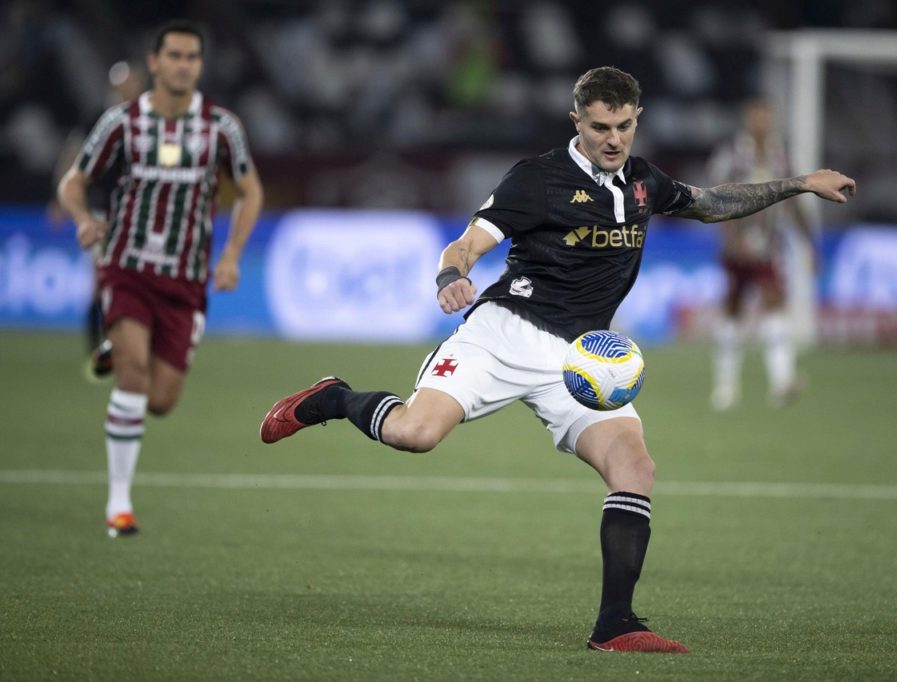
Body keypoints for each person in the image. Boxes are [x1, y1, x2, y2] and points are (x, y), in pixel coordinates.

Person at [260, 66, 854, 653]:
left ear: (636, 120)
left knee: (635, 470)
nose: (613, 140)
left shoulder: (643, 183)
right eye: (600, 127)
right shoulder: (537, 180)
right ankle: (333, 396)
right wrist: (450, 275)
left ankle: (616, 625)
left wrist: (798, 183)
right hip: (503, 334)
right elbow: (468, 241)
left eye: (623, 126)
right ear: (577, 121)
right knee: (415, 434)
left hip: (580, 357)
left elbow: (711, 201)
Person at [58, 20, 264, 538]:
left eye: (192, 57)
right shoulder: (120, 123)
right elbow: (73, 182)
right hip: (125, 266)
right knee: (132, 378)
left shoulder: (221, 127)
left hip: (186, 278)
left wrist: (232, 254)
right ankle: (119, 505)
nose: (183, 65)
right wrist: (84, 221)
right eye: (173, 55)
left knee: (162, 399)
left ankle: (119, 353)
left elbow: (250, 191)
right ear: (154, 62)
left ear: (200, 65)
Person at [706, 97, 818, 410]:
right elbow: (714, 198)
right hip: (738, 245)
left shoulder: (780, 154)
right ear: (747, 120)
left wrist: (809, 242)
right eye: (756, 117)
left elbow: (794, 199)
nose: (761, 123)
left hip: (770, 246)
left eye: (765, 118)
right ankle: (725, 387)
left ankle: (782, 382)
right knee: (733, 307)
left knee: (774, 302)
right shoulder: (731, 155)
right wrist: (729, 238)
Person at [49, 60, 146, 370]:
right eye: (126, 83)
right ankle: (98, 349)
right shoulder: (100, 118)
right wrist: (60, 199)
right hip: (102, 211)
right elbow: (73, 155)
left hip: (137, 213)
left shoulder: (149, 119)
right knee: (102, 280)